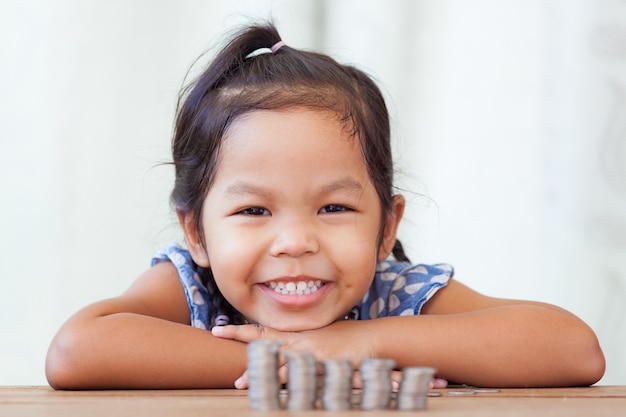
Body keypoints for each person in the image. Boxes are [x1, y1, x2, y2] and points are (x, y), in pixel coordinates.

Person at [45, 22, 605, 390]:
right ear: (197, 234)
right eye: (254, 212)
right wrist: (294, 364)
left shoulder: (391, 292)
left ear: (387, 228)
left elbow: (573, 350)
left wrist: (357, 342)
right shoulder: (194, 284)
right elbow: (76, 352)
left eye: (334, 208)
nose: (296, 242)